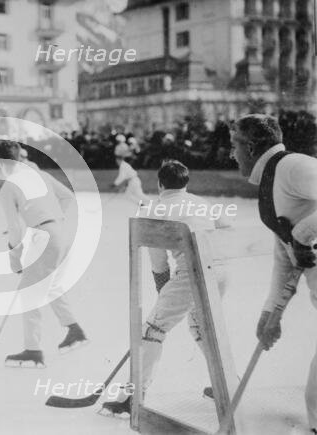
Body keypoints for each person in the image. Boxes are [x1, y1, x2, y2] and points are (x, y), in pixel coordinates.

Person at [101, 160, 231, 415]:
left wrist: (164, 291)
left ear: (160, 184)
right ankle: (226, 384)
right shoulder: (201, 202)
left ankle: (133, 396)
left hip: (191, 274)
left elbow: (158, 262)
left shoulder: (154, 208)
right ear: (186, 183)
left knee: (152, 330)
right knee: (200, 327)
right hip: (221, 272)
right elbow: (226, 229)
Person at [230, 114, 317, 432]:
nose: (231, 154)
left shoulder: (294, 165)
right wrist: (272, 313)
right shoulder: (272, 177)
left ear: (251, 147)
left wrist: (304, 233)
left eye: (234, 145)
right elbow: (287, 255)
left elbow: (299, 237)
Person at [0, 141, 87, 368]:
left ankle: (33, 350)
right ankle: (74, 329)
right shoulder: (40, 175)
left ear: (0, 162)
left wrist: (14, 260)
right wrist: (50, 219)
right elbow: (67, 197)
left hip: (45, 237)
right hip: (62, 234)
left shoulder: (7, 188)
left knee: (29, 293)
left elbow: (15, 230)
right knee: (51, 286)